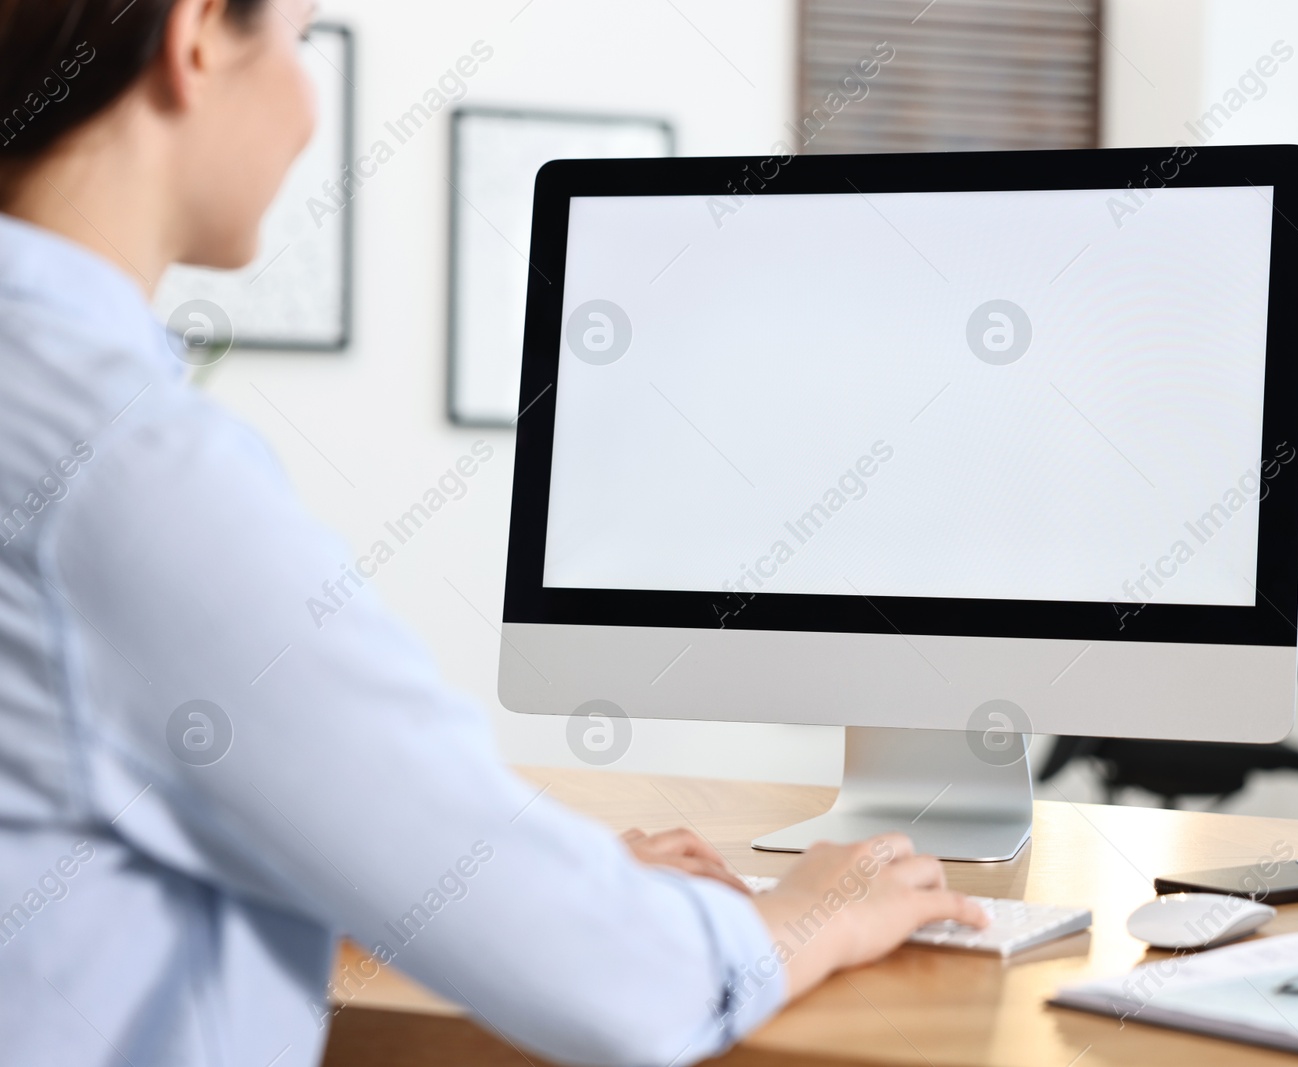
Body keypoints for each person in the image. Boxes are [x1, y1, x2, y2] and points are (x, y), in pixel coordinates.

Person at [0, 2, 986, 1065]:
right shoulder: (125, 467)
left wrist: (518, 876)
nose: (304, 106)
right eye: (295, 37)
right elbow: (615, 983)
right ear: (197, 37)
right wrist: (811, 909)